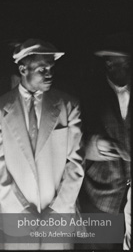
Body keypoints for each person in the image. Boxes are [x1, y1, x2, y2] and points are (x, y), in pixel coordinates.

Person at [0, 39, 84, 250]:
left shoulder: (68, 105)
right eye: (42, 68)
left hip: (57, 214)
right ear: (22, 69)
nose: (49, 73)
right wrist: (19, 209)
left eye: (51, 68)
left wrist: (58, 209)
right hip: (14, 216)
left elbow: (75, 162)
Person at [79, 32, 131, 250]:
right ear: (105, 65)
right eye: (111, 64)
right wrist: (94, 145)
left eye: (124, 64)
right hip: (101, 196)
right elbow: (73, 141)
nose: (117, 70)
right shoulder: (91, 95)